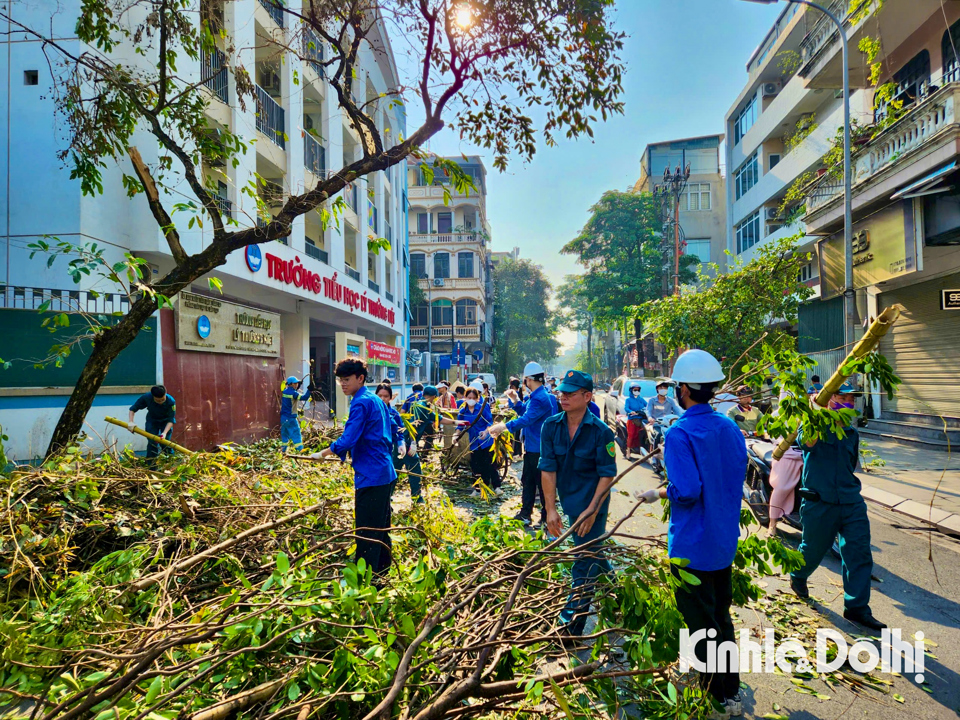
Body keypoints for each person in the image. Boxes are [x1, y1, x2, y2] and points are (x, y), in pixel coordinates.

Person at [637, 349, 747, 717]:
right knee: (721, 615)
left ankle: (714, 692)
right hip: (722, 542)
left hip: (691, 547)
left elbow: (687, 490)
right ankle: (729, 687)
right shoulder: (731, 428)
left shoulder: (680, 432)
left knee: (700, 621)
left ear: (684, 389)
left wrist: (659, 492)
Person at [789, 381, 885, 631]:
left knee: (859, 553)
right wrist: (815, 411)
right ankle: (798, 575)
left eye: (853, 399)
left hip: (851, 501)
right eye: (844, 397)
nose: (850, 403)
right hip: (820, 502)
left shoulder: (852, 433)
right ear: (830, 400)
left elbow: (850, 464)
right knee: (813, 550)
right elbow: (806, 444)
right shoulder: (815, 426)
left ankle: (856, 608)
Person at [540, 370, 617, 639]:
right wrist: (550, 509)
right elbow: (548, 469)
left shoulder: (601, 432)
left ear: (587, 397)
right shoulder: (550, 426)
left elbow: (607, 474)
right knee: (593, 551)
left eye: (570, 393)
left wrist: (593, 510)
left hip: (595, 502)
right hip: (570, 501)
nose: (563, 397)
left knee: (583, 558)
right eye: (562, 392)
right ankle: (617, 595)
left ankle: (570, 625)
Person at [314, 359, 396, 576]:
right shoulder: (374, 399)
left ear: (360, 378)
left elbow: (348, 438)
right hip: (384, 471)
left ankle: (365, 584)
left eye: (347, 379)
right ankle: (381, 576)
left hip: (371, 475)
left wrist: (323, 453)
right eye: (340, 380)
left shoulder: (360, 402)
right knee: (381, 530)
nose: (342, 384)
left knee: (366, 534)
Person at [485, 361, 559, 527]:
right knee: (528, 481)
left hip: (540, 449)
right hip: (533, 447)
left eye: (525, 380)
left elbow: (526, 419)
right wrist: (515, 400)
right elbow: (525, 411)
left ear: (529, 380)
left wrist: (503, 426)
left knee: (542, 485)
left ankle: (546, 518)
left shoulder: (540, 398)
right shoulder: (537, 396)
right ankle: (526, 513)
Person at [405, 385, 460, 501]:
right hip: (405, 442)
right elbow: (412, 426)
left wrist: (456, 421)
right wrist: (413, 443)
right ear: (434, 397)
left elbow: (439, 419)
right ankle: (416, 498)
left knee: (408, 468)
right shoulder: (420, 407)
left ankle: (415, 497)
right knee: (413, 468)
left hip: (407, 443)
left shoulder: (426, 407)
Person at [460, 383, 501, 497]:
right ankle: (477, 489)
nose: (471, 400)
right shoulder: (463, 411)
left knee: (490, 464)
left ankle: (496, 487)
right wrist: (455, 436)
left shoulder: (483, 407)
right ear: (465, 398)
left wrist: (486, 432)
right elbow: (459, 426)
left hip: (486, 441)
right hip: (474, 442)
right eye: (469, 398)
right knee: (475, 465)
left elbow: (489, 422)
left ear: (478, 398)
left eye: (474, 398)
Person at [375, 383, 411, 495]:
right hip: (372, 450)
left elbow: (400, 432)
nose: (382, 399)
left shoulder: (394, 414)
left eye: (385, 396)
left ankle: (387, 500)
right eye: (379, 395)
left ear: (390, 398)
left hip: (387, 451)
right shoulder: (371, 411)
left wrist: (401, 444)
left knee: (387, 478)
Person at [128, 385, 177, 466]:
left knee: (165, 443)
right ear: (153, 396)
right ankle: (151, 465)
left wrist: (164, 433)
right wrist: (130, 422)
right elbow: (133, 409)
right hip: (152, 421)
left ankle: (171, 464)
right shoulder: (147, 397)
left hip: (166, 422)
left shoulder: (171, 401)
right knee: (152, 443)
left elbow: (171, 420)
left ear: (165, 394)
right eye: (158, 400)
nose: (161, 402)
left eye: (162, 399)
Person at [280, 375, 309, 452]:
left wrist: (298, 386)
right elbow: (304, 397)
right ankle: (300, 450)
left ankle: (283, 451)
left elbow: (292, 392)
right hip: (291, 418)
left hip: (283, 418)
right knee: (296, 433)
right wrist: (310, 390)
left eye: (297, 383)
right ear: (291, 384)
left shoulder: (285, 392)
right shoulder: (294, 394)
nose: (297, 385)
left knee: (285, 435)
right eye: (295, 383)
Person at [623, 384, 648, 459]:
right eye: (635, 390)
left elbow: (647, 406)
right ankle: (628, 452)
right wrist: (631, 411)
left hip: (641, 420)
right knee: (631, 435)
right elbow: (626, 408)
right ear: (631, 390)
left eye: (638, 390)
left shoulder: (641, 399)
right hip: (632, 420)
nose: (637, 391)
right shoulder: (628, 400)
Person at [437, 381, 459, 449]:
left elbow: (454, 407)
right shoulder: (441, 397)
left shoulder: (450, 396)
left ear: (444, 387)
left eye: (440, 387)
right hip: (445, 417)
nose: (438, 389)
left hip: (450, 417)